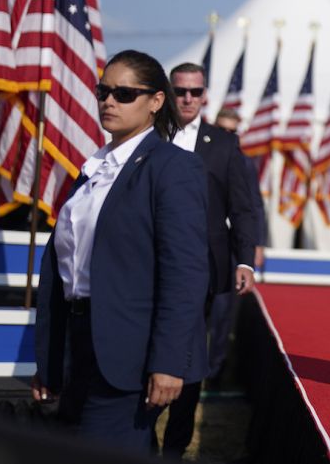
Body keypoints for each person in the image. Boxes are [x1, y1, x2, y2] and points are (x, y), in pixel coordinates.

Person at [32, 50, 209, 452]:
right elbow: (67, 268)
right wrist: (49, 359)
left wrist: (167, 362)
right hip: (77, 349)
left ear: (156, 102)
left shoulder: (172, 167)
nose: (109, 101)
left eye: (125, 93)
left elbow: (185, 274)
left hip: (130, 356)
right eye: (104, 91)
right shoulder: (95, 169)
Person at [158, 62, 265, 456]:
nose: (187, 99)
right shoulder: (150, 135)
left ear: (205, 95)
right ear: (168, 93)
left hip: (200, 271)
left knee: (188, 355)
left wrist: (244, 260)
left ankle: (176, 443)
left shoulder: (222, 144)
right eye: (180, 91)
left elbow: (244, 207)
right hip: (147, 265)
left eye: (195, 92)